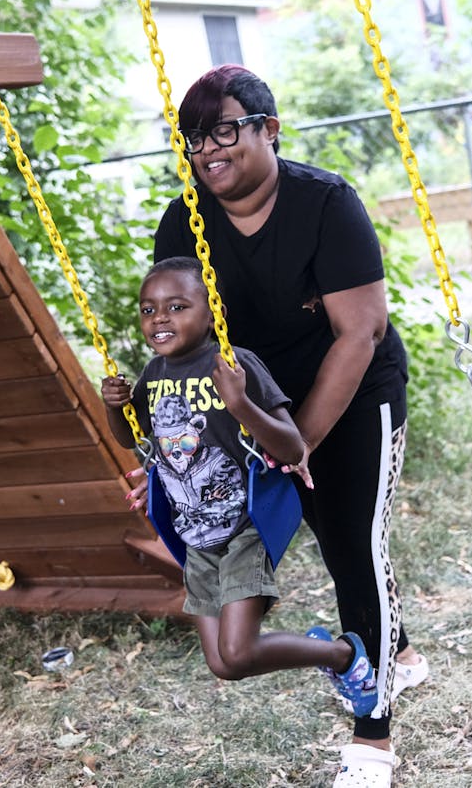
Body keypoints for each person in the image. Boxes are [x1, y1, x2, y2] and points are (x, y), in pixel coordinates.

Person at [150, 64, 420, 788]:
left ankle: (372, 739)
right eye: (195, 136)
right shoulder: (184, 222)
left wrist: (299, 445)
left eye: (227, 128)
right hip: (255, 408)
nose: (209, 148)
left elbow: (359, 332)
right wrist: (167, 454)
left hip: (356, 392)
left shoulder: (325, 203)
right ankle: (399, 647)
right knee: (315, 534)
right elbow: (181, 346)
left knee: (350, 545)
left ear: (270, 129)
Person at [100, 257, 380, 718]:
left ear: (213, 313)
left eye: (176, 306)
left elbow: (293, 448)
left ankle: (343, 656)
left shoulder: (235, 364)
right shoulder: (153, 375)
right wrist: (115, 407)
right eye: (148, 310)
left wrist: (239, 401)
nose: (160, 318)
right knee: (225, 665)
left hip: (245, 527)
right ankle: (327, 651)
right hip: (196, 535)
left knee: (241, 650)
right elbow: (132, 437)